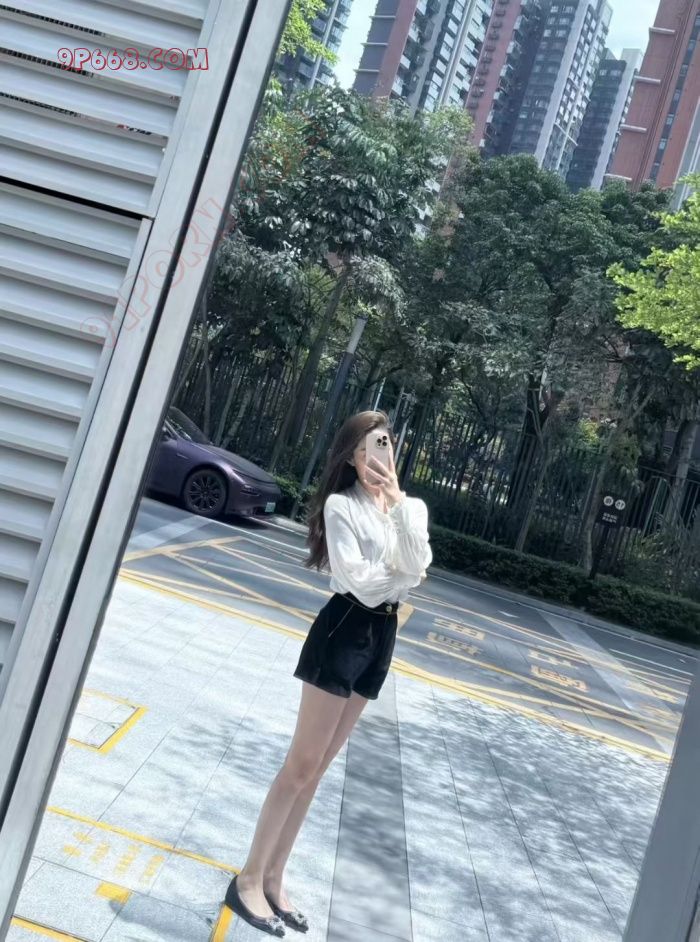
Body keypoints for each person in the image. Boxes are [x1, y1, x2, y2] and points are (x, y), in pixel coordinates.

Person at [223, 410, 432, 936]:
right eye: (369, 448)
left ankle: (275, 877)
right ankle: (248, 880)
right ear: (352, 457)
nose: (380, 457)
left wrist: (400, 516)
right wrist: (400, 571)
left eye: (386, 445)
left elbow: (420, 567)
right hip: (343, 627)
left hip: (381, 636)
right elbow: (358, 581)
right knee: (301, 764)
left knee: (318, 770)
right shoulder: (342, 507)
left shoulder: (410, 508)